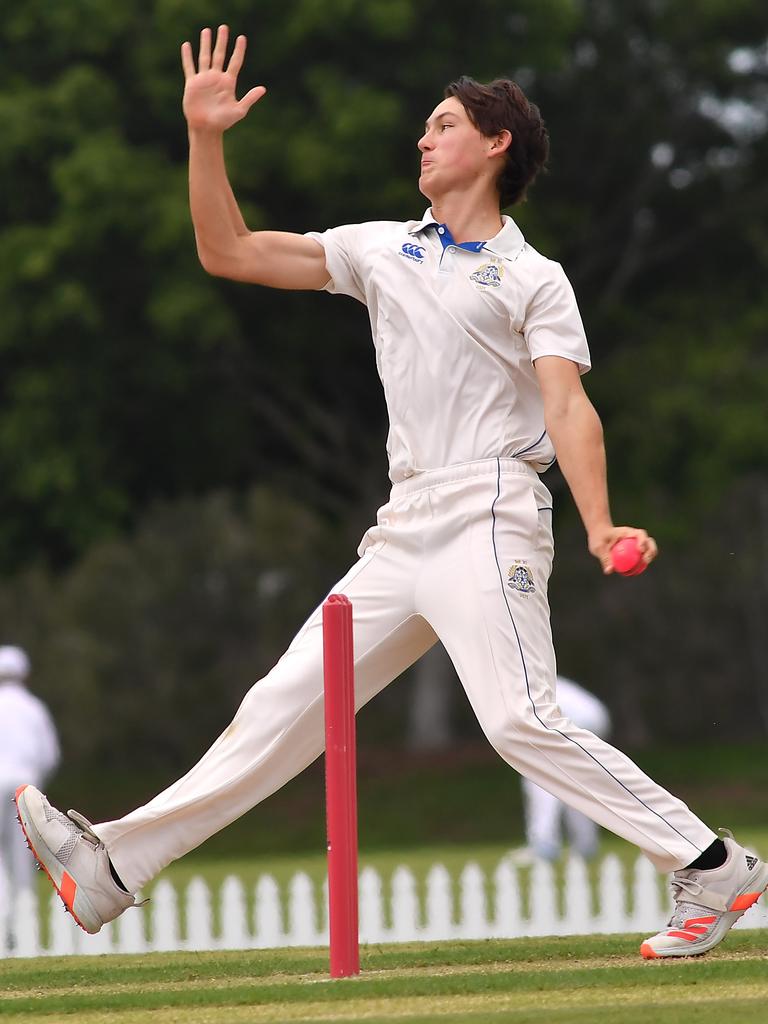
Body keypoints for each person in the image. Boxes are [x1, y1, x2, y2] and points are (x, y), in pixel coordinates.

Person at [15, 25, 767, 961]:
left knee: (516, 721)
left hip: (491, 515)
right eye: (424, 124)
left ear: (496, 145)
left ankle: (712, 865)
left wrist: (600, 521)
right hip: (403, 524)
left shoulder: (534, 277)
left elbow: (570, 406)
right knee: (284, 703)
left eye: (443, 124)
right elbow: (231, 252)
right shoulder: (380, 249)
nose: (423, 138)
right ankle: (112, 867)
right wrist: (205, 138)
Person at [514, 676, 611, 863]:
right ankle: (585, 845)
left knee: (540, 779)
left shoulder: (520, 682)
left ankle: (544, 845)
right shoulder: (537, 673)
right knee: (576, 784)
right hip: (594, 716)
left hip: (575, 720)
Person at [0, 646, 60, 941]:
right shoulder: (34, 708)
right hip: (23, 786)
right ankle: (19, 928)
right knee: (21, 855)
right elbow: (49, 754)